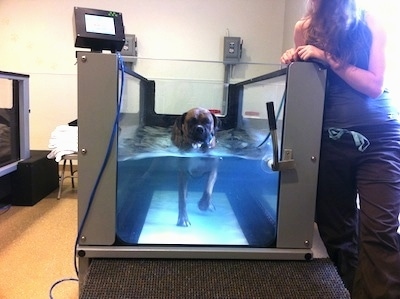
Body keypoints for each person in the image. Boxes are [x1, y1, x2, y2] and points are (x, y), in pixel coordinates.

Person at [281, 0, 400, 298]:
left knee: (381, 230)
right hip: (328, 139)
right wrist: (293, 62)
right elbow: (307, 87)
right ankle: (355, 289)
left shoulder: (370, 21)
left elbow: (373, 85)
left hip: (379, 137)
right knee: (335, 228)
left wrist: (328, 57)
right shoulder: (303, 28)